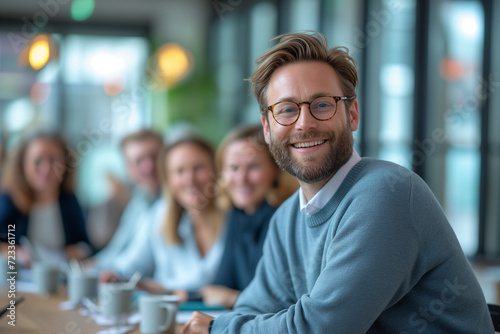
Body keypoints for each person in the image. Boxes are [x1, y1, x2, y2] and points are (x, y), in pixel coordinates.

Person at [182, 32, 494, 333]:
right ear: (267, 128)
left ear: (352, 114)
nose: (304, 123)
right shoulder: (287, 218)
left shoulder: (388, 193)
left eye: (321, 104)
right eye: (287, 110)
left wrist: (216, 328)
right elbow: (251, 312)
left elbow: (319, 328)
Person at [100, 136, 226, 297]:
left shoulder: (233, 217)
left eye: (198, 168)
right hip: (167, 314)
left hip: (218, 318)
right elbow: (131, 263)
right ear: (168, 179)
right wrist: (114, 274)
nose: (190, 179)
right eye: (179, 171)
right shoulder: (159, 214)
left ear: (216, 170)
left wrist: (162, 288)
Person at [201, 124, 298, 309]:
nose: (241, 178)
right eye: (233, 168)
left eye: (252, 167)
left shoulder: (285, 218)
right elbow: (221, 286)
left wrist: (233, 298)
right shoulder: (237, 215)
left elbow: (281, 305)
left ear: (276, 168)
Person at [0, 131, 92, 266]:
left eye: (53, 161)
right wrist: (16, 253)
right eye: (38, 161)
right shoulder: (8, 203)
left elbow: (86, 246)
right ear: (23, 165)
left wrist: (75, 252)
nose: (46, 168)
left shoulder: (69, 202)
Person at [87, 129, 162, 268]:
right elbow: (118, 248)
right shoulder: (139, 200)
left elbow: (139, 261)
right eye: (139, 161)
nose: (149, 167)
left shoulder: (174, 204)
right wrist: (89, 266)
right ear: (128, 169)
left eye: (154, 156)